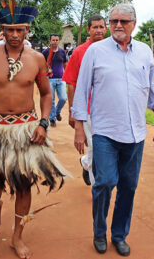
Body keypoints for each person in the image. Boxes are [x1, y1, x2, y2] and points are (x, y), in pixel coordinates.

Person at [0, 0, 70, 259]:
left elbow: (46, 94)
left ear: (26, 30)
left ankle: (17, 236)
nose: (14, 35)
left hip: (26, 129)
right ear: (3, 30)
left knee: (24, 185)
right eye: (9, 30)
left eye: (19, 30)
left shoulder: (36, 59)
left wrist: (44, 123)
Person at [72, 3, 154, 256]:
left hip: (136, 133)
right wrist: (79, 129)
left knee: (128, 186)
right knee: (105, 181)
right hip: (105, 131)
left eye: (123, 22)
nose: (117, 25)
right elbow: (82, 92)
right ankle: (99, 230)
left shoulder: (145, 53)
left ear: (133, 24)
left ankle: (118, 235)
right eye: (113, 20)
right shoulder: (96, 51)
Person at [62, 15, 107, 186]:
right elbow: (71, 84)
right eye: (95, 27)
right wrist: (73, 112)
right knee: (96, 147)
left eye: (101, 27)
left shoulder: (112, 49)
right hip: (88, 109)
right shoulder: (80, 52)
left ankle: (86, 163)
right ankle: (98, 188)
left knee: (106, 148)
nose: (99, 30)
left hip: (108, 110)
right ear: (88, 30)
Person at [42, 34, 67, 127]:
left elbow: (65, 64)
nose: (55, 42)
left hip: (61, 78)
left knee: (63, 98)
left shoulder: (62, 52)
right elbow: (42, 64)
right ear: (50, 41)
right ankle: (52, 119)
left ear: (59, 41)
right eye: (53, 40)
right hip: (50, 79)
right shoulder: (45, 52)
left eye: (56, 40)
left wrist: (67, 75)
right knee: (51, 100)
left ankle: (57, 112)